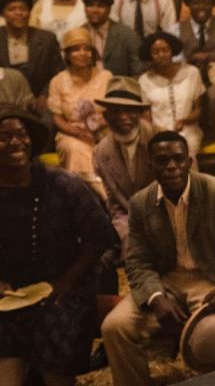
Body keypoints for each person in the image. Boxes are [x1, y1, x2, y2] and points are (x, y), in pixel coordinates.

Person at [101, 131, 215, 386]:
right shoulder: (141, 203)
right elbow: (137, 260)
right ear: (150, 164)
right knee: (114, 327)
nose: (171, 167)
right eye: (162, 160)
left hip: (213, 280)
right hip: (166, 282)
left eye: (178, 159)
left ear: (190, 161)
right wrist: (155, 296)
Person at [0, 104, 117, 386]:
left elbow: (99, 236)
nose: (15, 142)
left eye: (21, 134)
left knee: (55, 328)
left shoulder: (63, 184)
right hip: (9, 293)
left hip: (65, 288)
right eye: (4, 136)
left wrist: (65, 281)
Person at [47, 27, 112, 197]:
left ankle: (116, 198)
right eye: (75, 49)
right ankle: (97, 197)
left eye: (87, 49)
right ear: (67, 55)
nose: (82, 54)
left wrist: (100, 126)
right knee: (73, 149)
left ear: (93, 53)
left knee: (110, 146)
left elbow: (114, 110)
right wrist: (78, 132)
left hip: (105, 130)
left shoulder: (106, 77)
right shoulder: (58, 81)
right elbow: (57, 118)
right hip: (72, 133)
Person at [93, 77, 154, 256]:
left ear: (140, 113)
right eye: (115, 111)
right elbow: (114, 202)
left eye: (129, 110)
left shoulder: (160, 140)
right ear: (105, 116)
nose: (122, 117)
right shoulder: (101, 152)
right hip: (128, 218)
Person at [138, 31, 204, 157]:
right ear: (149, 55)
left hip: (188, 130)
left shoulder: (192, 73)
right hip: (159, 133)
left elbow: (199, 110)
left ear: (172, 50)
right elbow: (146, 117)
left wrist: (184, 120)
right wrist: (155, 129)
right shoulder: (144, 80)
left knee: (185, 153)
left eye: (165, 50)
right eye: (155, 52)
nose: (161, 55)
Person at [0, 0, 63, 118]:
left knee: (47, 124)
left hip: (39, 100)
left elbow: (57, 72)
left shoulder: (46, 38)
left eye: (23, 9)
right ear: (3, 14)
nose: (19, 13)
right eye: (12, 9)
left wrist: (44, 95)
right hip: (4, 99)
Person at [81, 0, 143, 77]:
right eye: (90, 5)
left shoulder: (126, 35)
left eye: (100, 6)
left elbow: (138, 71)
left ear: (109, 9)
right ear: (85, 8)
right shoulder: (79, 33)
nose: (95, 10)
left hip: (119, 89)